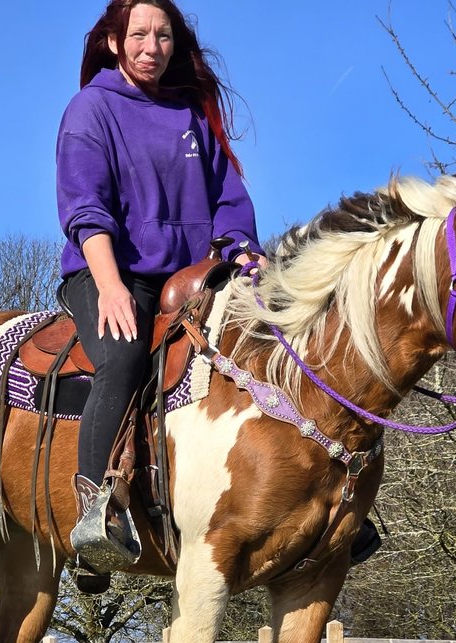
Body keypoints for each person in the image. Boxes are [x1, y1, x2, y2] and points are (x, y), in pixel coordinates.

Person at [56, 0, 264, 578]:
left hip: (190, 275)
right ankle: (95, 522)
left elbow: (228, 201)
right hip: (110, 270)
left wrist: (244, 251)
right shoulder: (91, 108)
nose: (152, 47)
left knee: (274, 336)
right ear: (114, 42)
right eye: (139, 35)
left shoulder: (191, 113)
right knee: (123, 358)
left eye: (164, 36)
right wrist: (110, 286)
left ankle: (328, 497)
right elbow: (85, 207)